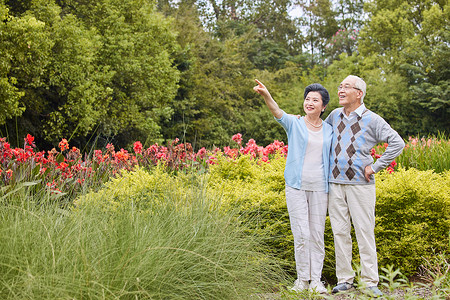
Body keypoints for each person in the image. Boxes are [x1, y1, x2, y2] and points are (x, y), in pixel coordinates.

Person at [325, 75, 405, 297]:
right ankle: (345, 279)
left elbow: (397, 142)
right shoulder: (333, 116)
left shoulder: (373, 120)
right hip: (334, 183)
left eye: (346, 87)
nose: (340, 90)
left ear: (358, 93)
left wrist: (377, 166)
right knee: (340, 232)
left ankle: (370, 281)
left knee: (364, 231)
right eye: (340, 86)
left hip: (361, 184)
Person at [253, 79, 333, 294]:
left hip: (320, 187)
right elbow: (277, 112)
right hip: (296, 187)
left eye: (315, 100)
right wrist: (266, 94)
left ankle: (316, 280)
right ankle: (302, 280)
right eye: (307, 99)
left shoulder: (330, 130)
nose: (310, 102)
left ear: (323, 106)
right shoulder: (294, 124)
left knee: (317, 234)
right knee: (301, 233)